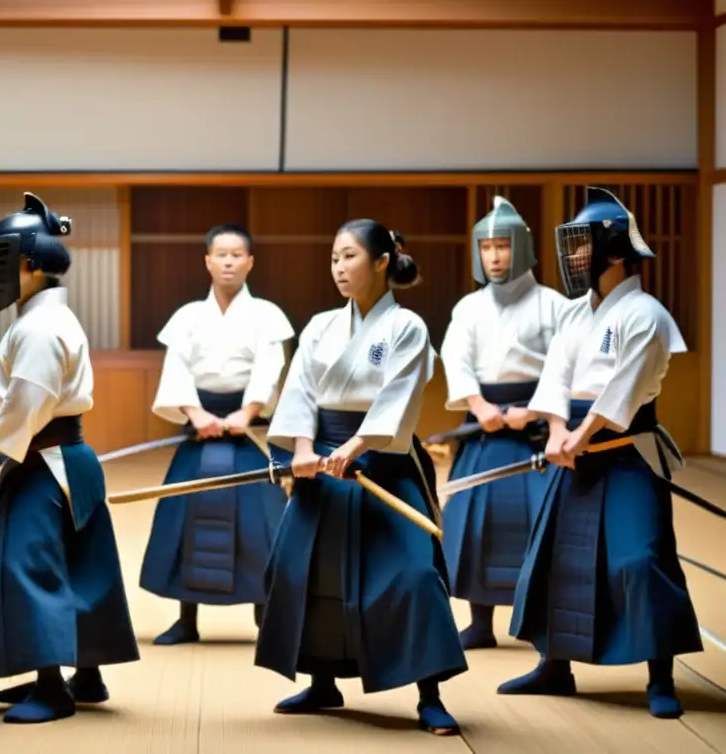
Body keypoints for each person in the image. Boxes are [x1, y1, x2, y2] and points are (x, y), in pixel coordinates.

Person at [255, 221, 467, 735]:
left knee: (413, 574)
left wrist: (353, 449)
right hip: (321, 467)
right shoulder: (321, 325)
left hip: (383, 464)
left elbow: (400, 397)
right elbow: (301, 392)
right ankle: (322, 681)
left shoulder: (407, 327)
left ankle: (429, 691)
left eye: (349, 257)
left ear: (381, 262)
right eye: (333, 258)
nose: (339, 268)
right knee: (303, 571)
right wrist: (304, 449)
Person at [499, 187, 701, 719]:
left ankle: (660, 676)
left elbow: (624, 392)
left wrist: (580, 434)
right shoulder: (573, 313)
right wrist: (557, 430)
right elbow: (556, 378)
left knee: (641, 558)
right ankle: (553, 666)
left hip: (626, 448)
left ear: (614, 253)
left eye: (582, 246)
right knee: (553, 556)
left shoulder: (646, 314)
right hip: (575, 447)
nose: (573, 258)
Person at [0, 192, 139, 725]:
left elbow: (26, 402)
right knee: (80, 566)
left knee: (24, 568)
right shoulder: (43, 319)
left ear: (31, 265)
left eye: (4, 258)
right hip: (61, 459)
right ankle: (87, 673)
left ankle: (52, 686)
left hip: (44, 462)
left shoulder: (40, 326)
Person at [139, 224, 294, 644]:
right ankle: (186, 619)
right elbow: (176, 371)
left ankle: (267, 619)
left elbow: (269, 367)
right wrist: (195, 413)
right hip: (199, 427)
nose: (228, 262)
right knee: (185, 520)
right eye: (220, 254)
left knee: (261, 522)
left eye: (236, 255)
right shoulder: (187, 317)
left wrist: (248, 411)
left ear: (250, 262)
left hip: (247, 433)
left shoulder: (266, 315)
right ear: (207, 261)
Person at [438, 197, 569, 649]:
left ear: (523, 247)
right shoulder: (469, 308)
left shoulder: (554, 305)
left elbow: (565, 365)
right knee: (478, 523)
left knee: (538, 523)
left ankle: (538, 623)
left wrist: (534, 411)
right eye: (487, 247)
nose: (494, 256)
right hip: (487, 424)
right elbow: (455, 359)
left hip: (538, 425)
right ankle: (480, 623)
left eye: (502, 246)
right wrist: (478, 406)